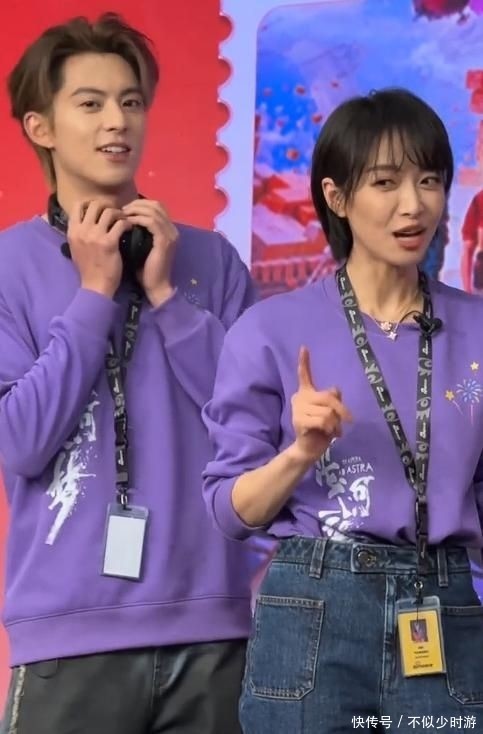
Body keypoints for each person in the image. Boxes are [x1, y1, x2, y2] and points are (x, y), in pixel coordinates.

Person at [0, 13, 256, 734]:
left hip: (213, 630)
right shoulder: (9, 266)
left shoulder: (210, 260)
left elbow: (254, 426)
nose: (117, 121)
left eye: (131, 101)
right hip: (68, 636)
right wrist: (93, 294)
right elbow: (20, 442)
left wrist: (169, 298)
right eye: (91, 103)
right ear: (41, 127)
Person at [203, 88, 483, 733]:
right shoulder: (270, 330)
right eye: (385, 182)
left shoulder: (475, 329)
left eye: (429, 180)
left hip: (446, 604)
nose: (413, 204)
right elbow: (229, 511)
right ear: (336, 197)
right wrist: (301, 452)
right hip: (314, 607)